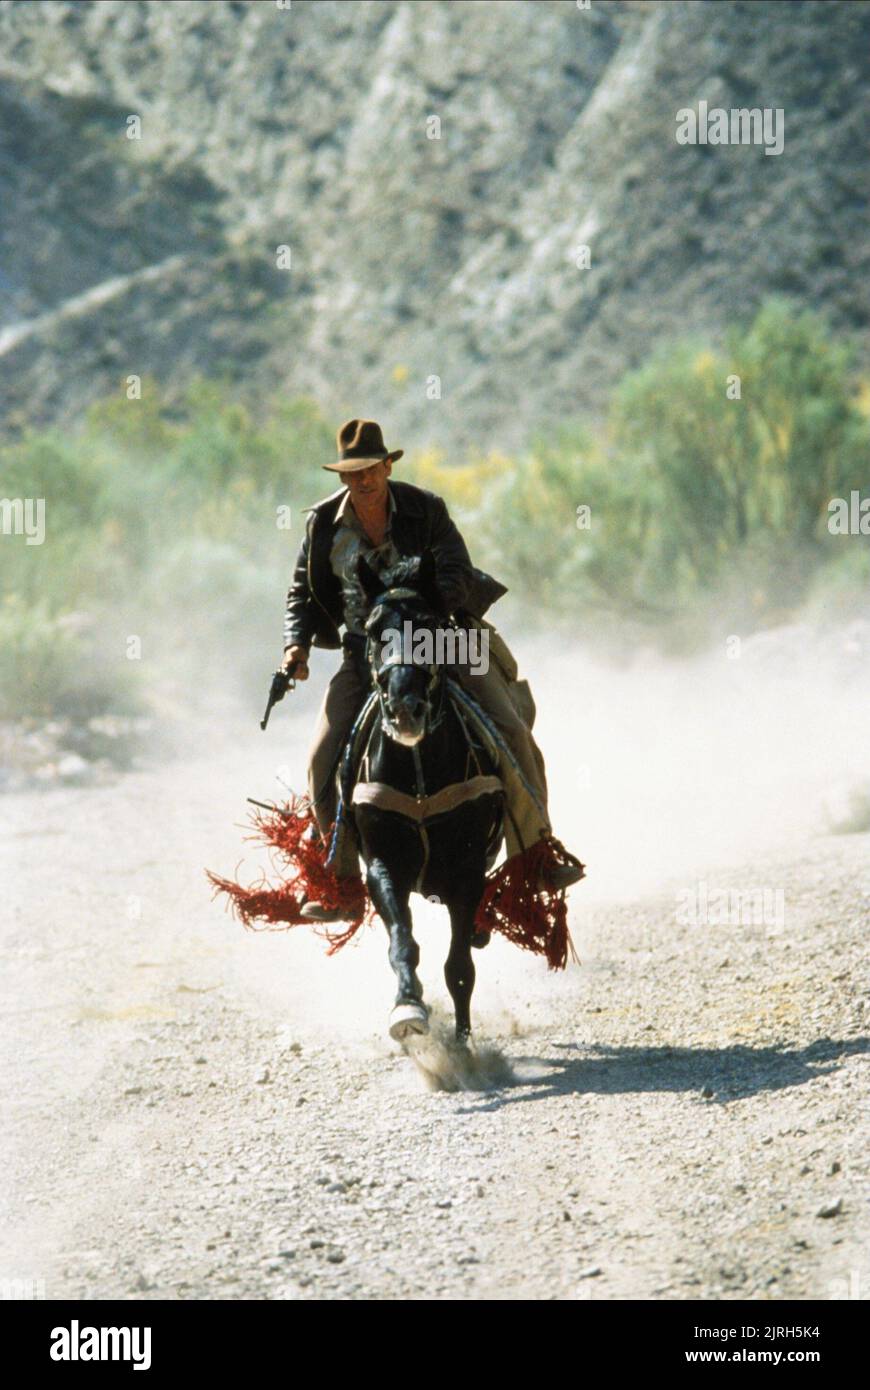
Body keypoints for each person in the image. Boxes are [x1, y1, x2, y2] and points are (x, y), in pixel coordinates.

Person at [282, 418, 584, 922]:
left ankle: (535, 854)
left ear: (388, 465)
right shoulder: (322, 525)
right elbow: (300, 592)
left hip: (439, 637)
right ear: (342, 478)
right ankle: (342, 879)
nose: (363, 481)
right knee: (320, 757)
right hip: (368, 650)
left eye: (371, 470)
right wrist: (295, 647)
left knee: (509, 728)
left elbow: (457, 572)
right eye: (352, 473)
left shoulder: (426, 508)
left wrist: (415, 608)